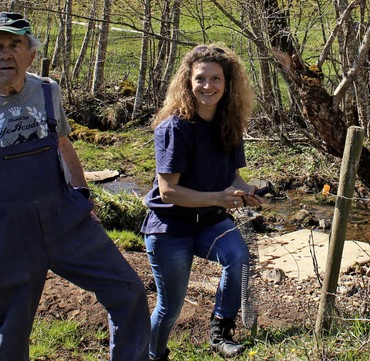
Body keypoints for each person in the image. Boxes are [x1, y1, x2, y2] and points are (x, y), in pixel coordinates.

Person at [0, 11, 150, 361]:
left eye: (15, 45)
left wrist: (83, 199)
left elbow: (64, 146)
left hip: (66, 221)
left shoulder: (48, 91)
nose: (5, 54)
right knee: (10, 334)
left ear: (30, 54)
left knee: (128, 291)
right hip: (12, 235)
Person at [140, 44, 262, 360]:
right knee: (170, 308)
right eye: (200, 79)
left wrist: (250, 192)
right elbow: (168, 191)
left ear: (227, 83)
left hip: (209, 220)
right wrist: (218, 198)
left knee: (239, 257)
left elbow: (233, 178)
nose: (208, 86)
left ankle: (221, 330)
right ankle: (153, 354)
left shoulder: (230, 123)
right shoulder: (174, 127)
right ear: (188, 82)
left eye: (216, 79)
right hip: (170, 226)